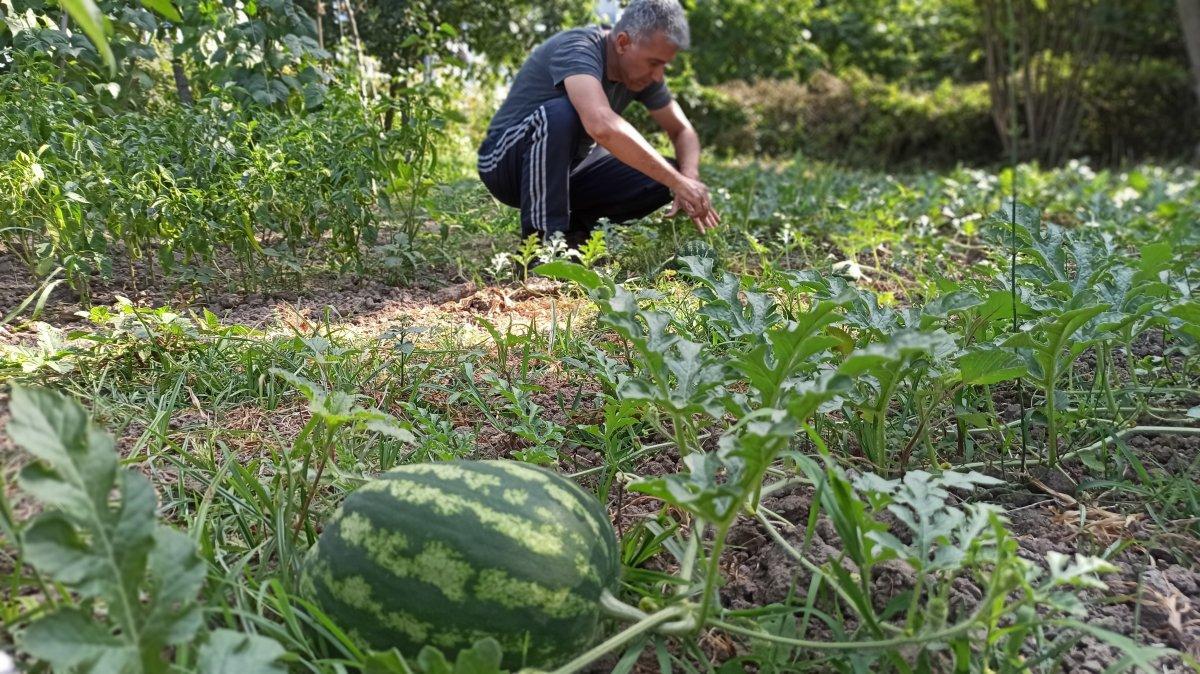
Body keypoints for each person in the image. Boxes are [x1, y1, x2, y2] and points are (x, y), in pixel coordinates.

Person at [476, 0, 721, 249]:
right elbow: (601, 124)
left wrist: (688, 178)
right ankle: (542, 246)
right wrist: (678, 182)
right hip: (505, 164)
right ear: (623, 43)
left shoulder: (644, 75)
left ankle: (572, 234)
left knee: (666, 173)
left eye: (664, 66)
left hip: (568, 170)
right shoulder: (579, 47)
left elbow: (682, 130)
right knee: (562, 112)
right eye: (654, 63)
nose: (658, 75)